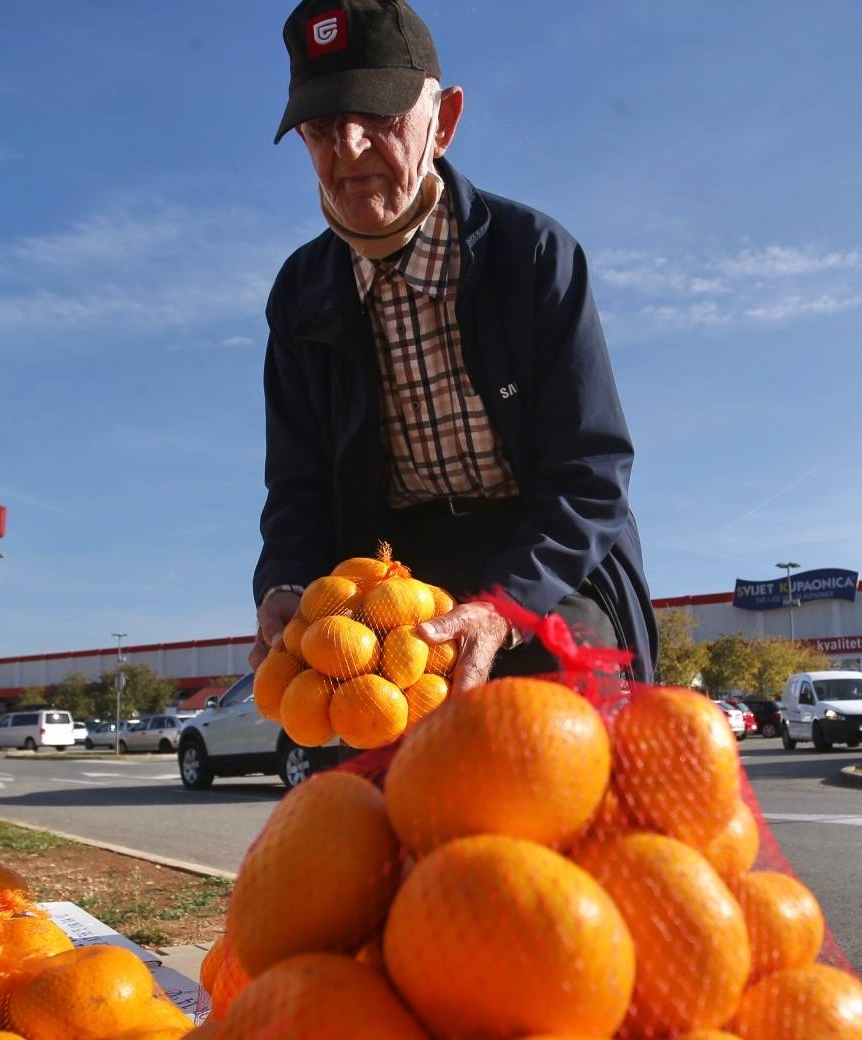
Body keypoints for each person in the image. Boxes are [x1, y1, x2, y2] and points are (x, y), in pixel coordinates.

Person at [249, 0, 657, 693]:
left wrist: (503, 605)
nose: (347, 151)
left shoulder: (530, 255)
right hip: (391, 579)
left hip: (541, 562)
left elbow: (590, 470)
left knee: (560, 750)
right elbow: (299, 485)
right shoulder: (301, 292)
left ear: (443, 121)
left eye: (376, 119)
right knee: (383, 785)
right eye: (321, 129)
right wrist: (287, 583)